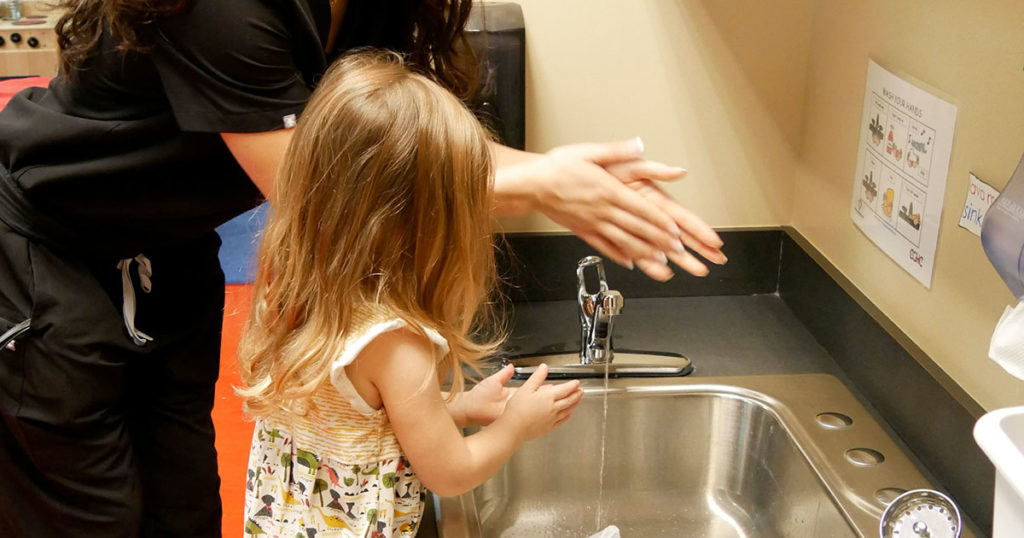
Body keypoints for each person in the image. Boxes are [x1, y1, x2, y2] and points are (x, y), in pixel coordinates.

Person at [0, 1, 724, 536]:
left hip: (171, 248)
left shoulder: (309, 309)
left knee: (181, 503)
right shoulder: (395, 342)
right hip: (54, 247)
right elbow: (322, 181)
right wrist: (541, 182)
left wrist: (549, 176)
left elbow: (371, 157)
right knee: (87, 517)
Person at [237, 50, 584, 537]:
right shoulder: (395, 342)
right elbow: (449, 472)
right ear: (417, 229)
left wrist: (457, 410)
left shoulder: (298, 288)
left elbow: (362, 421)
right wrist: (516, 427)